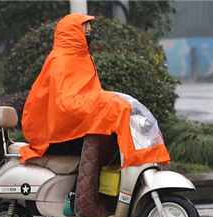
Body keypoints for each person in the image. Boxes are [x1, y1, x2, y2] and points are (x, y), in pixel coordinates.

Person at [19, 14, 170, 168]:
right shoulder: (60, 60)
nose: (89, 30)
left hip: (73, 130)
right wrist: (104, 102)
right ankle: (76, 192)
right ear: (73, 33)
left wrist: (105, 101)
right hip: (55, 137)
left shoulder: (83, 58)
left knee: (114, 135)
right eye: (85, 29)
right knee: (104, 143)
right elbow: (64, 106)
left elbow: (90, 95)